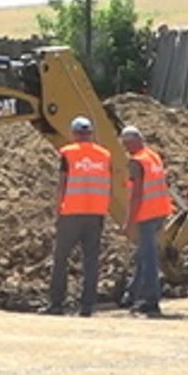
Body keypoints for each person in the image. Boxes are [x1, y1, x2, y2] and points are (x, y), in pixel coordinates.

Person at [44, 115, 112, 316]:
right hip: (95, 214)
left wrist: (58, 209)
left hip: (72, 213)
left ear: (74, 134)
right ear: (90, 133)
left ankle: (57, 304)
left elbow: (62, 184)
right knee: (91, 261)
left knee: (61, 258)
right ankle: (87, 306)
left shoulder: (68, 153)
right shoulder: (105, 155)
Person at [121, 126, 171, 317]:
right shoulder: (152, 156)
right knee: (144, 255)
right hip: (160, 211)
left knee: (149, 259)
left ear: (132, 141)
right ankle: (134, 294)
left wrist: (129, 222)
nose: (125, 148)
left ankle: (151, 301)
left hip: (147, 213)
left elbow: (136, 195)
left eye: (126, 144)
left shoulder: (136, 162)